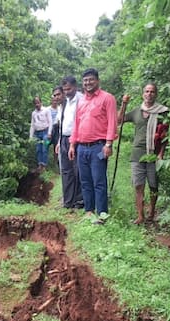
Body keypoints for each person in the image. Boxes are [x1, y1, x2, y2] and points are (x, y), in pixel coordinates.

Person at [68, 68, 118, 224]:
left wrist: (109, 144)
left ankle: (102, 213)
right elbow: (76, 124)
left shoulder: (107, 98)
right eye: (85, 81)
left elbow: (112, 122)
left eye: (90, 80)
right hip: (81, 148)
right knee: (85, 181)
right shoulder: (81, 101)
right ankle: (89, 211)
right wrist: (72, 144)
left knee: (99, 180)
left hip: (99, 147)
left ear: (97, 80)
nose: (87, 83)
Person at [119, 83, 170, 225]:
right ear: (143, 94)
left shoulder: (162, 112)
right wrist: (124, 104)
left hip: (153, 154)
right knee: (138, 185)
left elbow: (166, 135)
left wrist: (161, 153)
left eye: (152, 92)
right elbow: (119, 120)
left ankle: (152, 212)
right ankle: (140, 215)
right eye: (147, 91)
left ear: (156, 94)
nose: (149, 94)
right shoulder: (136, 111)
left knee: (153, 185)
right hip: (137, 154)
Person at [57, 76, 84, 209]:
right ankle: (68, 201)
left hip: (77, 139)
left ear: (75, 86)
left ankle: (79, 201)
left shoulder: (81, 100)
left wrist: (74, 142)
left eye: (69, 89)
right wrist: (59, 141)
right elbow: (63, 121)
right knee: (66, 170)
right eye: (64, 89)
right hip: (64, 139)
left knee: (77, 170)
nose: (66, 92)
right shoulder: (65, 101)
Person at [29, 96, 52, 171]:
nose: (37, 104)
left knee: (44, 149)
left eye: (38, 102)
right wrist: (31, 136)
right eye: (35, 103)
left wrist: (49, 133)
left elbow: (50, 122)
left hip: (45, 132)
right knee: (38, 149)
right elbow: (32, 125)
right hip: (37, 133)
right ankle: (40, 165)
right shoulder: (33, 113)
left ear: (41, 102)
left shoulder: (46, 110)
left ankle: (44, 165)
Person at [46, 86, 63, 168]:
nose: (55, 101)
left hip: (57, 128)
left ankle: (56, 163)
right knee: (46, 144)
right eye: (53, 100)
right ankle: (45, 163)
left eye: (56, 100)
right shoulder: (48, 109)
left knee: (56, 145)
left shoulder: (60, 108)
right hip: (49, 129)